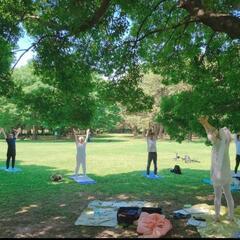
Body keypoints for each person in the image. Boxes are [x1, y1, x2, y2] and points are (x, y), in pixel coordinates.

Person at [198, 116, 234, 222]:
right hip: (226, 172)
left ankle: (217, 216)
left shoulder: (218, 141)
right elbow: (211, 133)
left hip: (219, 172)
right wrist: (204, 124)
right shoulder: (225, 141)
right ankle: (231, 216)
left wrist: (206, 122)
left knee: (217, 196)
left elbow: (213, 131)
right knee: (228, 194)